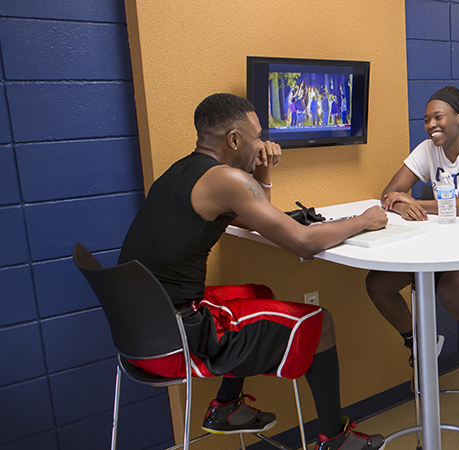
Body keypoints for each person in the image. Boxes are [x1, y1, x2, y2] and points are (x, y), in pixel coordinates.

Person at [118, 93, 387, 450]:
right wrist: (363, 220)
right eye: (257, 135)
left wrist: (263, 168)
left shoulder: (182, 171)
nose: (263, 142)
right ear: (234, 139)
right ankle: (335, 439)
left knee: (258, 294)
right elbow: (303, 243)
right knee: (319, 323)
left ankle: (227, 407)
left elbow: (260, 217)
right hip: (177, 340)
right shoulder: (227, 180)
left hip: (139, 332)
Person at [365, 85, 459, 394]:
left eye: (438, 117)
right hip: (440, 248)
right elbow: (389, 194)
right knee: (377, 284)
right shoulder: (426, 150)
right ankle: (419, 343)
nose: (431, 125)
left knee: (450, 289)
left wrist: (417, 204)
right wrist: (401, 201)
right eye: (426, 120)